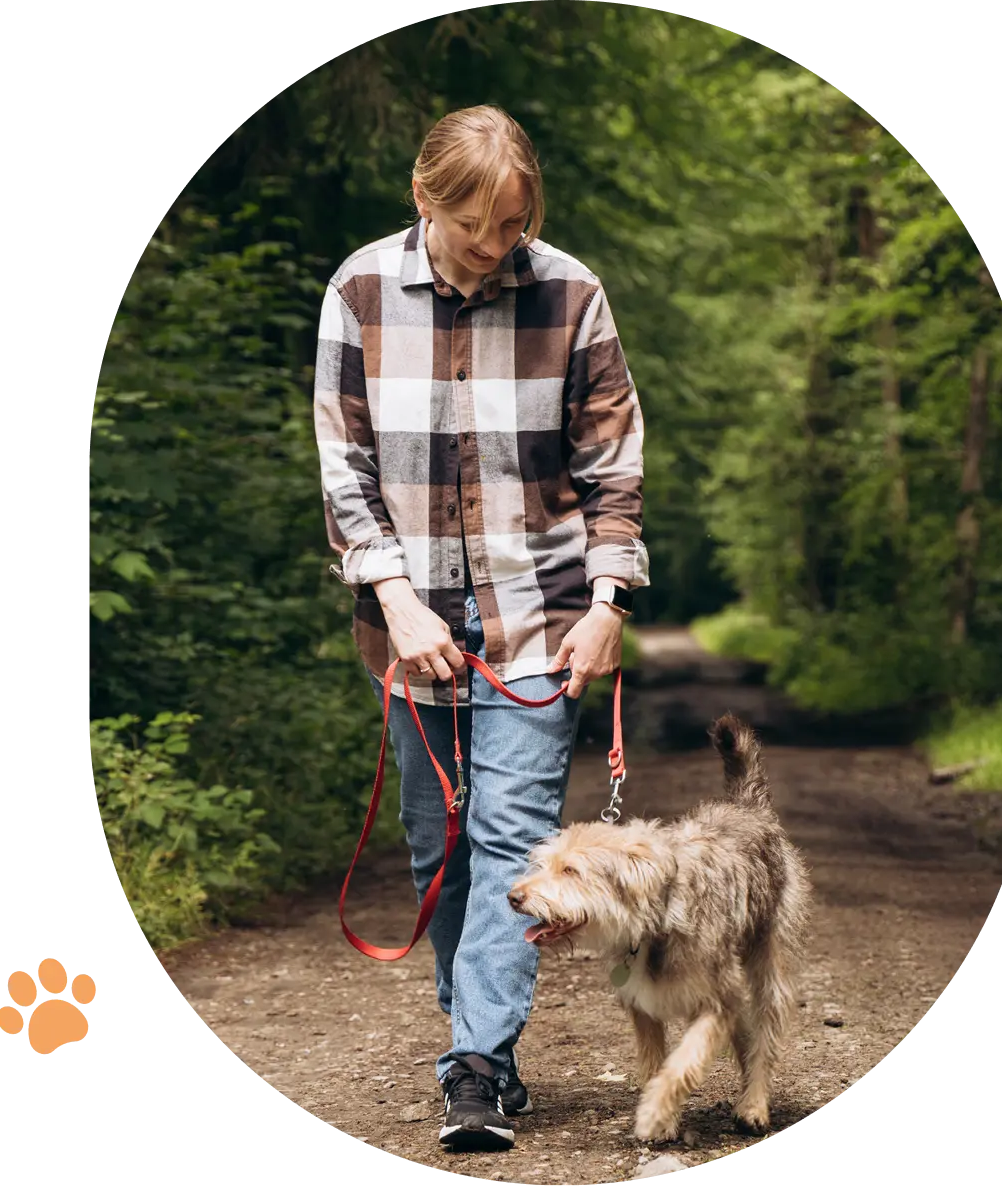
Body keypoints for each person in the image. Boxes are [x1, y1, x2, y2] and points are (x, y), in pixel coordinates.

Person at [313, 104, 649, 1153]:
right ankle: (473, 1033)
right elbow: (344, 468)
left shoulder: (570, 292)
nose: (497, 247)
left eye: (514, 225)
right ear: (424, 200)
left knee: (511, 843)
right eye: (476, 229)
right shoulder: (359, 292)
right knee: (441, 858)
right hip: (409, 630)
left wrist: (606, 605)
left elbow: (612, 465)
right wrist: (394, 598)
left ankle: (476, 1065)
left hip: (540, 623)